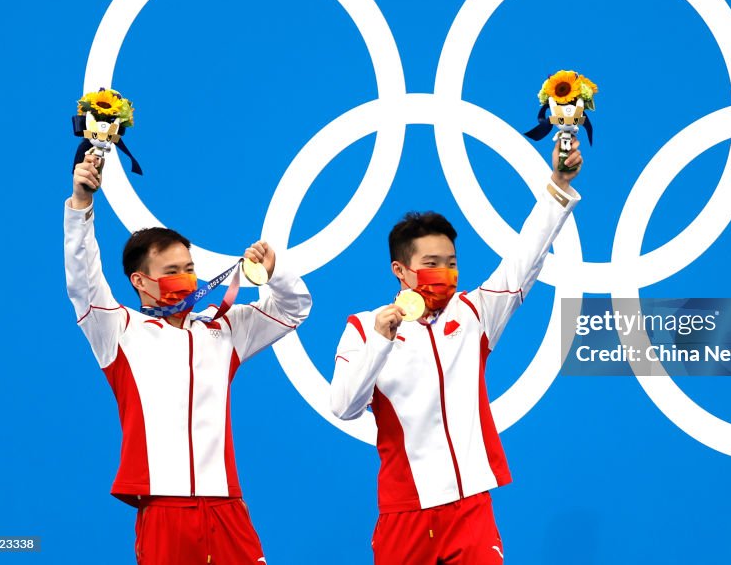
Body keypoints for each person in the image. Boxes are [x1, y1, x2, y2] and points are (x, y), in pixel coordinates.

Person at [331, 139, 583, 564]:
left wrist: (558, 184)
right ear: (400, 270)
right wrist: (380, 341)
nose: (444, 273)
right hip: (406, 512)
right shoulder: (363, 328)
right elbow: (344, 407)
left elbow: (525, 258)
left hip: (470, 508)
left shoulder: (473, 314)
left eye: (451, 261)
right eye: (432, 262)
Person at [64, 151, 311, 564]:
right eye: (172, 271)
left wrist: (275, 272)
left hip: (227, 507)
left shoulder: (224, 329)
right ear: (140, 282)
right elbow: (83, 282)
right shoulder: (118, 330)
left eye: (190, 268)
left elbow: (294, 310)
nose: (187, 279)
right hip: (164, 511)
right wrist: (82, 206)